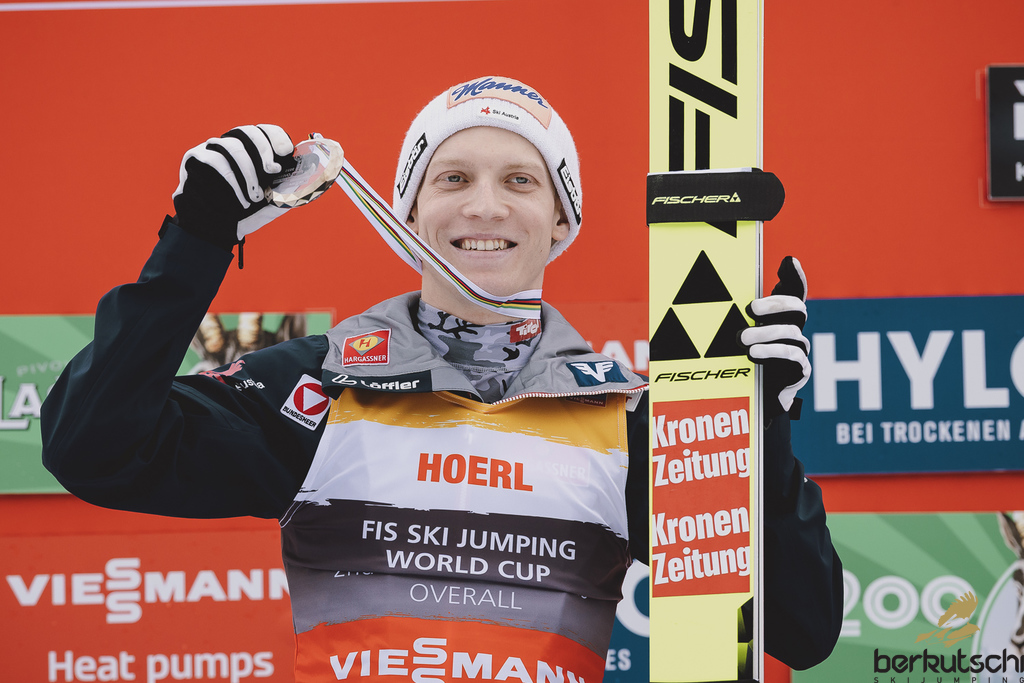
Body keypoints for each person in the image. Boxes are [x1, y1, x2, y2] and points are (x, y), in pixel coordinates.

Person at [41, 76, 842, 681]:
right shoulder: (320, 385)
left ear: (562, 220)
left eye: (521, 180)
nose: (485, 207)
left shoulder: (624, 418)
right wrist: (197, 240)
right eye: (453, 178)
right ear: (407, 213)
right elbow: (93, 447)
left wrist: (757, 439)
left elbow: (801, 627)